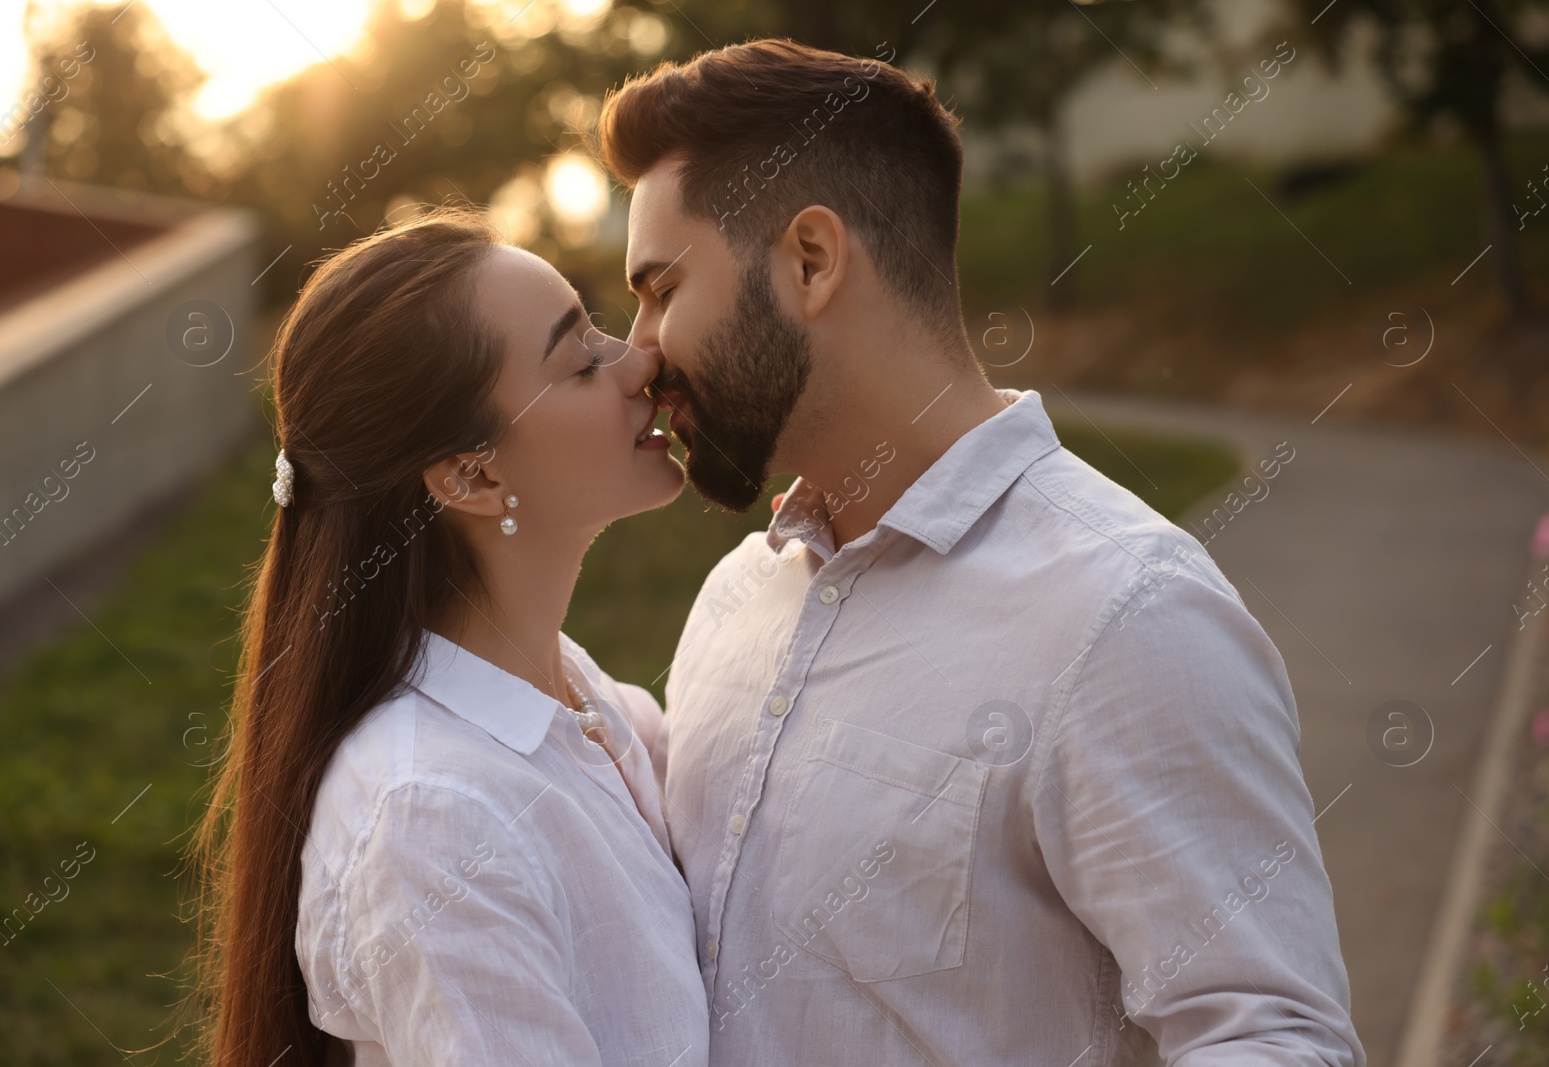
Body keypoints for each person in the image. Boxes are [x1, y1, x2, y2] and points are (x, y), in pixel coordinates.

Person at [599, 39, 1366, 1065]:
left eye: (658, 289)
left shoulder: (1126, 613)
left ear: (811, 260)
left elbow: (1274, 1035)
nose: (638, 349)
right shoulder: (732, 602)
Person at [187, 210, 708, 1067]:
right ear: (472, 474)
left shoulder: (576, 694)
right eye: (582, 360)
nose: (639, 360)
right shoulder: (436, 817)